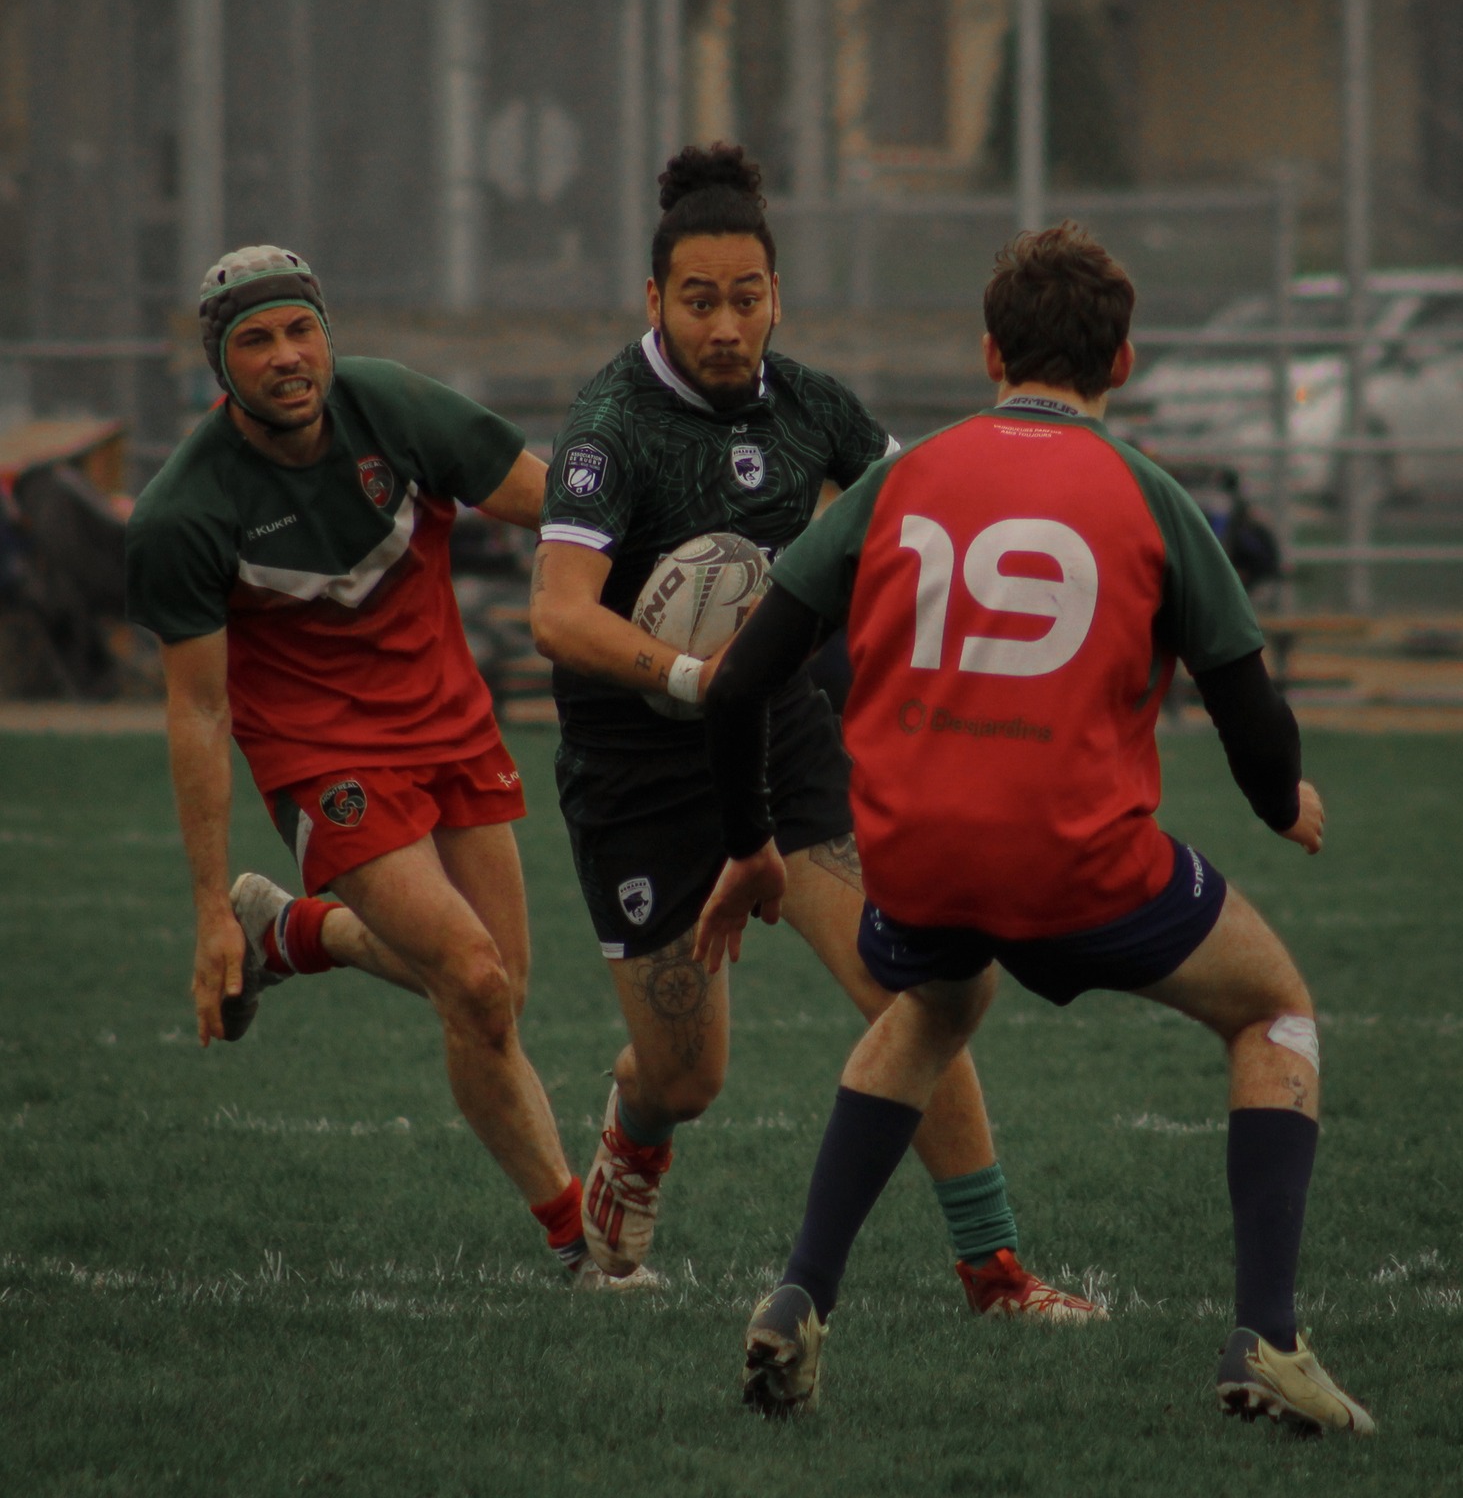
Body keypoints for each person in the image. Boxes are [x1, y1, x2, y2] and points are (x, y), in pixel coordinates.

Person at [696, 221, 1375, 1436]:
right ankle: (1265, 1334)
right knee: (1272, 1008)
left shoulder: (901, 478)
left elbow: (744, 678)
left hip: (913, 854)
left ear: (986, 350)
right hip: (1079, 860)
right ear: (1121, 363)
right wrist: (1282, 802)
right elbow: (1248, 712)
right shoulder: (1150, 491)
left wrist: (751, 838)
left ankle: (800, 1289)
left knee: (930, 1006)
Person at [529, 147, 1095, 1322]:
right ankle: (634, 1134)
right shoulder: (608, 427)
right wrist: (699, 673)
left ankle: (992, 1272)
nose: (725, 324)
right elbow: (555, 613)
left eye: (746, 296)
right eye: (698, 300)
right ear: (653, 302)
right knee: (690, 1075)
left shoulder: (811, 405)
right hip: (638, 772)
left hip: (786, 742)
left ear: (776, 293)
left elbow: (918, 510)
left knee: (920, 987)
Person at [125, 244, 635, 1288]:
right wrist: (206, 907)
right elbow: (196, 711)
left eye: (299, 329)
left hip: (452, 725)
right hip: (323, 759)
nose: (285, 356)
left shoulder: (394, 409)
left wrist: (686, 551)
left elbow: (559, 508)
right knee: (473, 977)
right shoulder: (186, 511)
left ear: (327, 332)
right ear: (221, 365)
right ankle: (578, 1246)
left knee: (501, 988)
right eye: (254, 340)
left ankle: (295, 929)